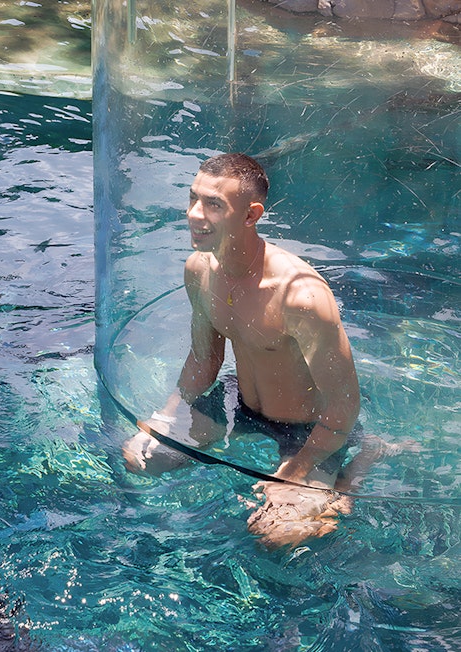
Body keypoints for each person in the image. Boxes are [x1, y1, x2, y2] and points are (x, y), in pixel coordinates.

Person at [122, 152, 364, 548]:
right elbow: (205, 359)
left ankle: (356, 471)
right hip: (239, 403)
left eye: (213, 204)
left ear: (251, 215)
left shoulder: (300, 295)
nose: (194, 214)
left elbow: (344, 403)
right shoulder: (199, 270)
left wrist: (295, 470)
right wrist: (164, 416)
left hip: (308, 427)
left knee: (276, 535)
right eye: (192, 198)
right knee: (141, 458)